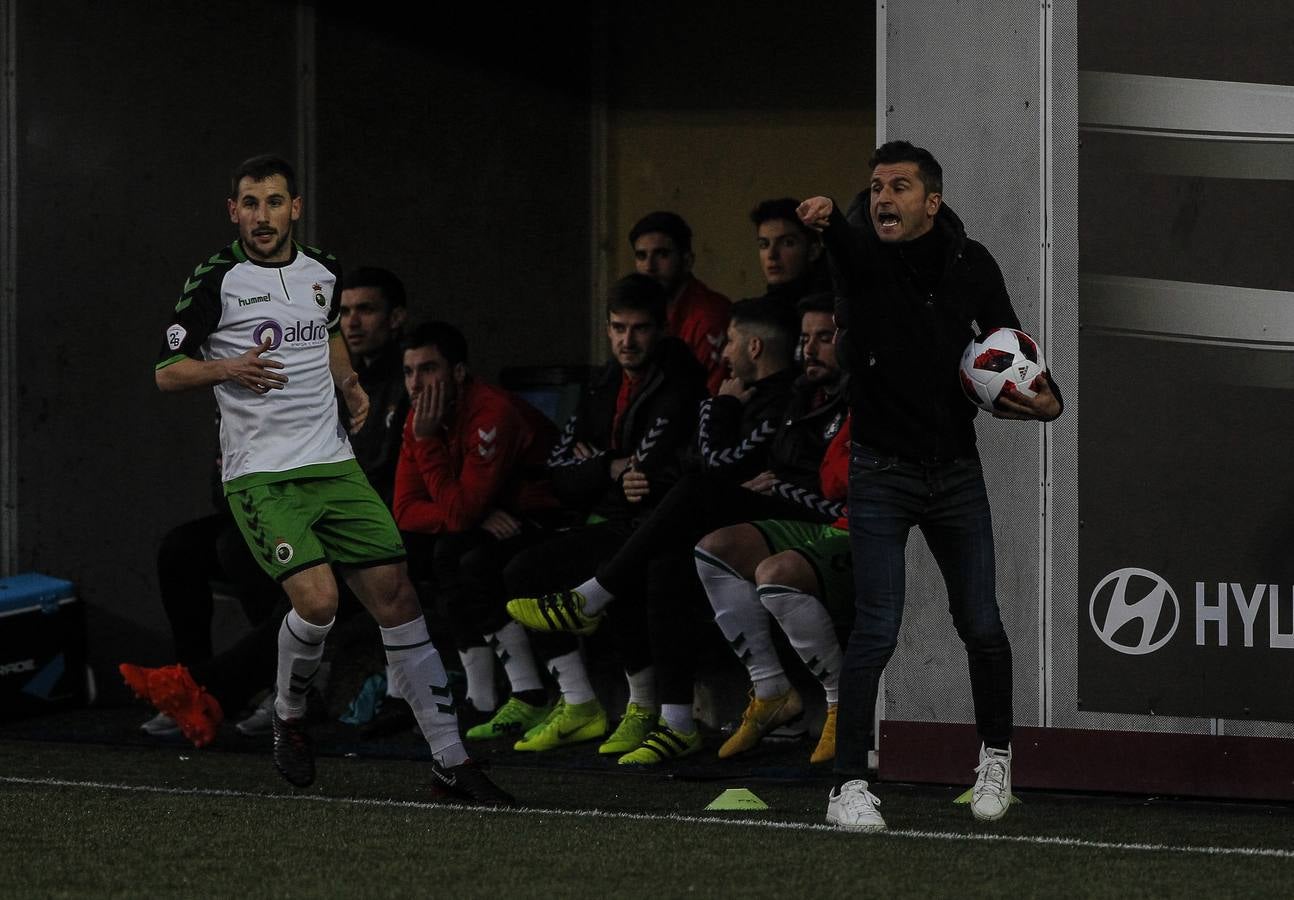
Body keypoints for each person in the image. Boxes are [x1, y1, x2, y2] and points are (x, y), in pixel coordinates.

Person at [127, 155, 511, 805]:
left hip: (332, 466)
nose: (263, 215)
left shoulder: (323, 270)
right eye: (251, 203)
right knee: (320, 603)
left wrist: (351, 385)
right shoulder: (217, 279)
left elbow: (327, 332)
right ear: (234, 212)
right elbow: (167, 370)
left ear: (295, 208)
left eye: (275, 202)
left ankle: (452, 759)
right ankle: (289, 715)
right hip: (263, 477)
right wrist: (228, 370)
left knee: (398, 598)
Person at [798, 140, 1062, 832]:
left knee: (982, 623)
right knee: (877, 628)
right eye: (876, 186)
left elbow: (1013, 344)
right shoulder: (861, 255)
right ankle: (848, 785)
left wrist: (1048, 400)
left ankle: (996, 762)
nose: (883, 197)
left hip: (954, 474)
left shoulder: (972, 265)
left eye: (900, 187)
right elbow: (841, 243)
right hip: (881, 471)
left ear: (931, 201)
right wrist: (824, 219)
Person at [508, 295, 850, 765]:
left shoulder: (802, 399)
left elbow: (719, 466)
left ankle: (593, 598)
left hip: (818, 525)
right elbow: (701, 463)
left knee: (691, 498)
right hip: (764, 515)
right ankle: (675, 721)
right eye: (806, 338)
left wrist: (722, 411)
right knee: (664, 555)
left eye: (824, 338)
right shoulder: (799, 399)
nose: (809, 349)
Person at [500, 274, 708, 756]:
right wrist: (610, 467)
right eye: (618, 328)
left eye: (638, 329)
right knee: (520, 570)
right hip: (616, 520)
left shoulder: (679, 382)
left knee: (642, 573)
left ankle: (644, 710)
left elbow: (649, 470)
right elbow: (557, 470)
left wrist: (595, 466)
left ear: (660, 329)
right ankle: (579, 705)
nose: (626, 340)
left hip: (655, 527)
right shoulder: (604, 381)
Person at [392, 321, 593, 746]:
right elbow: (405, 509)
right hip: (493, 518)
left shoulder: (490, 412)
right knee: (413, 553)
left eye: (428, 369)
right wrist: (471, 515)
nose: (416, 384)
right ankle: (483, 695)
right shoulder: (421, 418)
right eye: (409, 372)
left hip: (551, 517)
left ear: (459, 373)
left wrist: (463, 507)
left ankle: (524, 692)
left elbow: (461, 509)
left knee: (466, 559)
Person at [694, 412, 852, 765]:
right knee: (715, 549)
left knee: (775, 572)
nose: (809, 351)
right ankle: (771, 690)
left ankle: (842, 704)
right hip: (835, 521)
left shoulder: (898, 397)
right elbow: (830, 477)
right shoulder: (850, 395)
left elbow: (855, 475)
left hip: (874, 530)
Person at [630, 211, 731, 394]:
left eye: (661, 254)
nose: (649, 267)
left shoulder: (709, 317)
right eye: (641, 256)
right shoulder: (643, 312)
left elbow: (712, 396)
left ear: (687, 260)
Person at [749, 197, 827, 303]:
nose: (772, 255)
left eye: (787, 243)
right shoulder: (756, 312)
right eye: (764, 244)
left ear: (813, 251)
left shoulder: (830, 309)